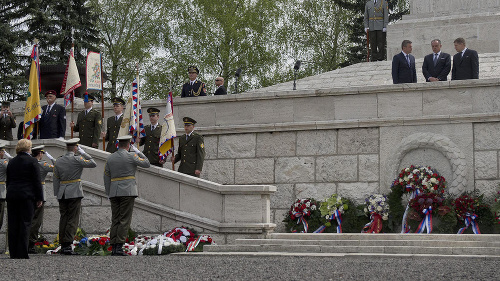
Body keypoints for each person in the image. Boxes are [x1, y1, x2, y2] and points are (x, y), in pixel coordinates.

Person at [104, 135, 150, 256]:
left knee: (115, 218)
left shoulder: (110, 158)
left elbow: (106, 177)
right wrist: (138, 152)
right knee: (124, 219)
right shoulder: (131, 156)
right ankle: (119, 246)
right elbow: (146, 163)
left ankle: (113, 246)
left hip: (114, 191)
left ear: (118, 145)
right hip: (127, 191)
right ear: (129, 145)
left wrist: (108, 192)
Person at [53, 138, 96, 255]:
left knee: (63, 218)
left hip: (62, 192)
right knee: (72, 218)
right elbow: (93, 163)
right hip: (74, 192)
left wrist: (57, 193)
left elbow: (55, 178)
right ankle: (67, 243)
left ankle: (62, 243)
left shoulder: (59, 161)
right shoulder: (77, 159)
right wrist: (83, 153)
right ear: (76, 148)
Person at [6, 139, 43, 259]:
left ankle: (13, 251)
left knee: (13, 224)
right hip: (27, 195)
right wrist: (39, 197)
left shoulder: (12, 162)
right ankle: (22, 252)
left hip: (12, 195)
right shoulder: (32, 161)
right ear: (28, 148)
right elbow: (37, 181)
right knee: (25, 223)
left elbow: (9, 180)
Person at [28, 145, 56, 253]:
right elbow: (57, 167)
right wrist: (52, 158)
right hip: (39, 192)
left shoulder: (29, 163)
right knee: (36, 220)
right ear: (40, 154)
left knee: (28, 218)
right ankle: (31, 243)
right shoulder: (42, 164)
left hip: (29, 192)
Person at [0, 144, 13, 232]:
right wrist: (10, 157)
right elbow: (12, 165)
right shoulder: (3, 163)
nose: (4, 153)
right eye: (3, 152)